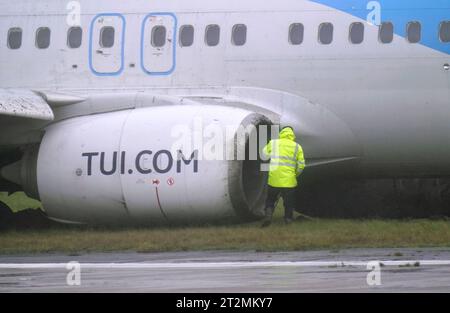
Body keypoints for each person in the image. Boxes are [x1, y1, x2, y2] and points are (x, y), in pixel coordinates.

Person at [261, 126, 305, 227]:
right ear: (292, 134)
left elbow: (263, 154)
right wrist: (295, 174)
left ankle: (268, 216)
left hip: (274, 179)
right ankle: (288, 219)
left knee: (270, 199)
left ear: (281, 133)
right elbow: (301, 165)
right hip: (289, 181)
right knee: (289, 202)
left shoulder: (273, 143)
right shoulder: (297, 147)